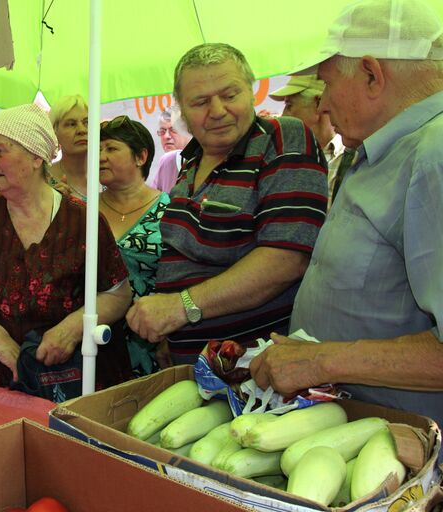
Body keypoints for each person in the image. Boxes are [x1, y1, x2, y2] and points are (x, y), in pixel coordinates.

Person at [249, 0, 443, 428]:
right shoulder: (385, 150)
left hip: (407, 454)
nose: (321, 107)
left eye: (327, 84)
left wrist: (321, 360)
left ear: (372, 75)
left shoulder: (434, 153)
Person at [126, 43, 328, 365]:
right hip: (192, 364)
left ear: (250, 92)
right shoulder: (191, 158)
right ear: (182, 110)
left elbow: (286, 260)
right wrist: (170, 330)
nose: (217, 110)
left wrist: (180, 307)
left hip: (254, 370)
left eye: (230, 95)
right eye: (201, 102)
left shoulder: (282, 138)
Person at [0, 104, 132, 391]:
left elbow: (117, 294)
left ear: (36, 157)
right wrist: (0, 342)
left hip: (79, 378)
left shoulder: (82, 220)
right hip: (6, 377)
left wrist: (71, 329)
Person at [98, 115, 171, 376]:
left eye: (111, 148)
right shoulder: (81, 211)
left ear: (141, 157)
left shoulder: (170, 211)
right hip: (92, 339)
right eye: (97, 148)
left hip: (149, 340)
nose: (100, 156)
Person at [269, 75, 349, 207]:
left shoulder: (352, 157)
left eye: (289, 105)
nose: (283, 115)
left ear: (319, 103)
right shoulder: (283, 156)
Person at [48, 95, 89, 201]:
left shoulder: (108, 175)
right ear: (54, 132)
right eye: (71, 124)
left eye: (87, 122)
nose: (82, 130)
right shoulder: (40, 178)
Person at [146, 106, 192, 193]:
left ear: (187, 131)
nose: (166, 136)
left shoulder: (170, 158)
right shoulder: (166, 161)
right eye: (162, 131)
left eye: (173, 130)